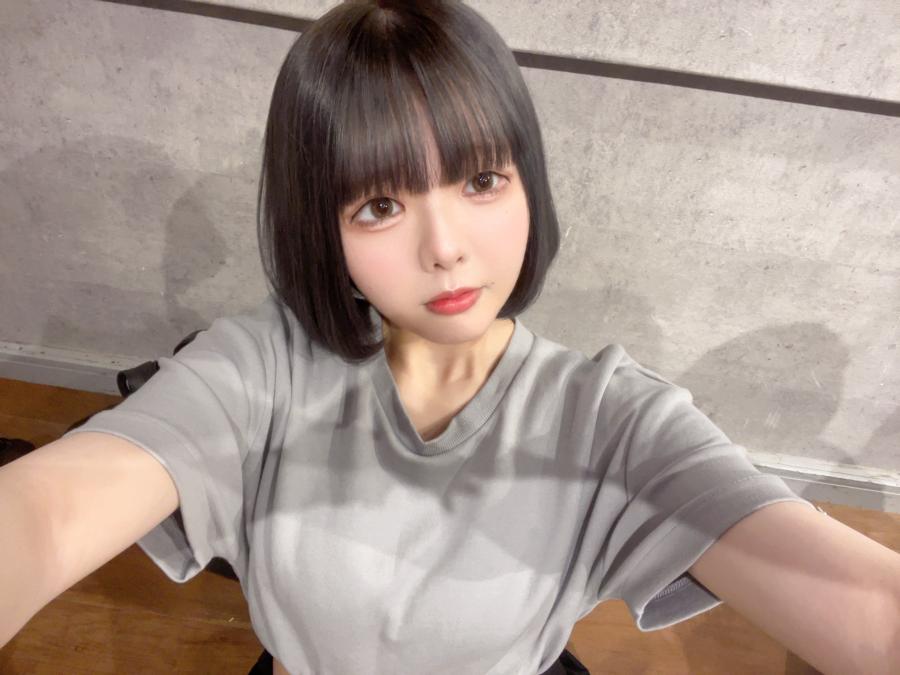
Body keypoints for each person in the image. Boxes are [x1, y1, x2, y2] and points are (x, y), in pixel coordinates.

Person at [3, 1, 898, 674]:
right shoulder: (257, 369)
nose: (446, 248)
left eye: (480, 181)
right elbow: (42, 515)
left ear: (527, 181)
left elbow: (866, 605)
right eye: (380, 204)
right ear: (323, 224)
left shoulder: (613, 420)